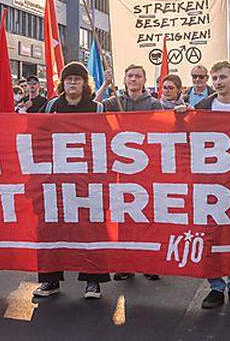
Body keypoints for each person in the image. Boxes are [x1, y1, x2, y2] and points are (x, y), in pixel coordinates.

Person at [175, 60, 230, 307]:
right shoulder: (202, 107)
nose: (218, 82)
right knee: (209, 233)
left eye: (223, 77)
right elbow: (184, 139)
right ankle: (215, 286)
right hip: (208, 182)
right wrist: (181, 118)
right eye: (215, 78)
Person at [34, 62, 112, 300]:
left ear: (84, 83)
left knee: (91, 229)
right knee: (49, 229)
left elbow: (109, 142)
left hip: (87, 180)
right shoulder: (50, 107)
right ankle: (50, 280)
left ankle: (93, 281)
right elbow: (33, 136)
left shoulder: (98, 109)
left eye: (77, 79)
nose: (72, 83)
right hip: (54, 180)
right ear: (63, 83)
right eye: (69, 79)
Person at [101, 64, 165, 281]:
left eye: (138, 76)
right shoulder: (113, 102)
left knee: (148, 215)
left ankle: (149, 262)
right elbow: (92, 110)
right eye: (130, 76)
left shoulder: (155, 104)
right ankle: (126, 263)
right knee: (125, 217)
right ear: (125, 79)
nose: (134, 79)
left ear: (144, 80)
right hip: (122, 168)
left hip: (147, 169)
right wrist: (105, 84)